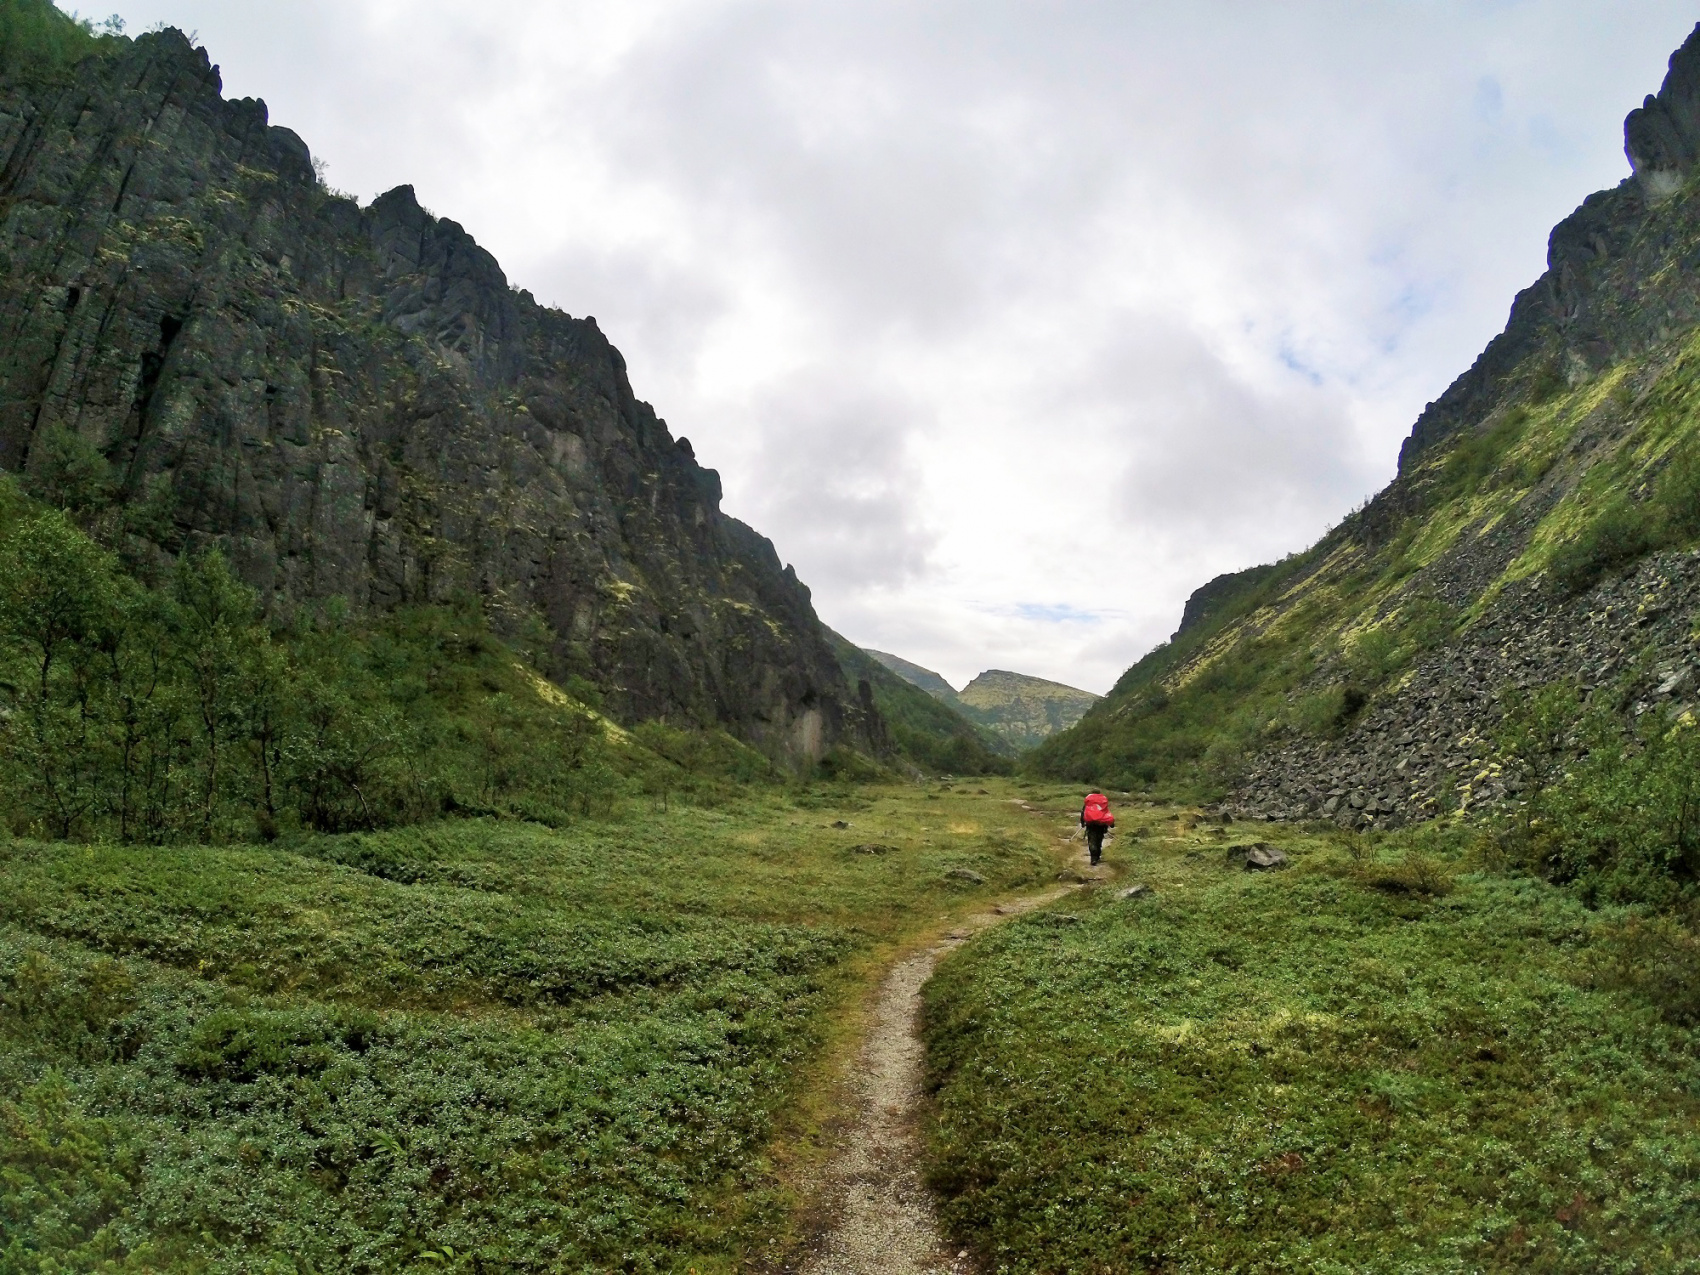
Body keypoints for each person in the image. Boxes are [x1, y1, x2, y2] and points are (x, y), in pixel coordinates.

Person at [1080, 791, 1115, 866]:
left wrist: (1082, 823)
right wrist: (1111, 824)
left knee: (1092, 840)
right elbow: (1106, 813)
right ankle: (1097, 856)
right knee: (1099, 840)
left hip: (1091, 825)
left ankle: (1093, 858)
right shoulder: (1102, 802)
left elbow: (1083, 812)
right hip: (1101, 825)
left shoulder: (1089, 802)